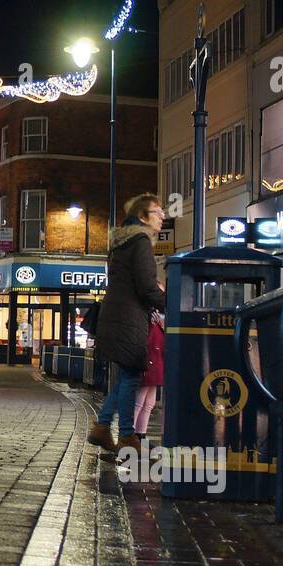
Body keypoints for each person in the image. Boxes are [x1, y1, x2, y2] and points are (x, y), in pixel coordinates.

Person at [91, 193, 167, 454]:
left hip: (116, 317)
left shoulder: (122, 243)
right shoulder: (141, 241)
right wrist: (171, 304)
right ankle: (126, 435)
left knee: (126, 376)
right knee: (132, 374)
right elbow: (147, 287)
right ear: (144, 217)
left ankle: (102, 428)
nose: (163, 216)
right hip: (129, 319)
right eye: (158, 212)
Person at [132, 308, 166, 440]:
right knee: (143, 402)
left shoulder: (154, 323)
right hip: (153, 364)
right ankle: (135, 433)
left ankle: (138, 434)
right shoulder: (153, 323)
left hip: (152, 364)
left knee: (146, 402)